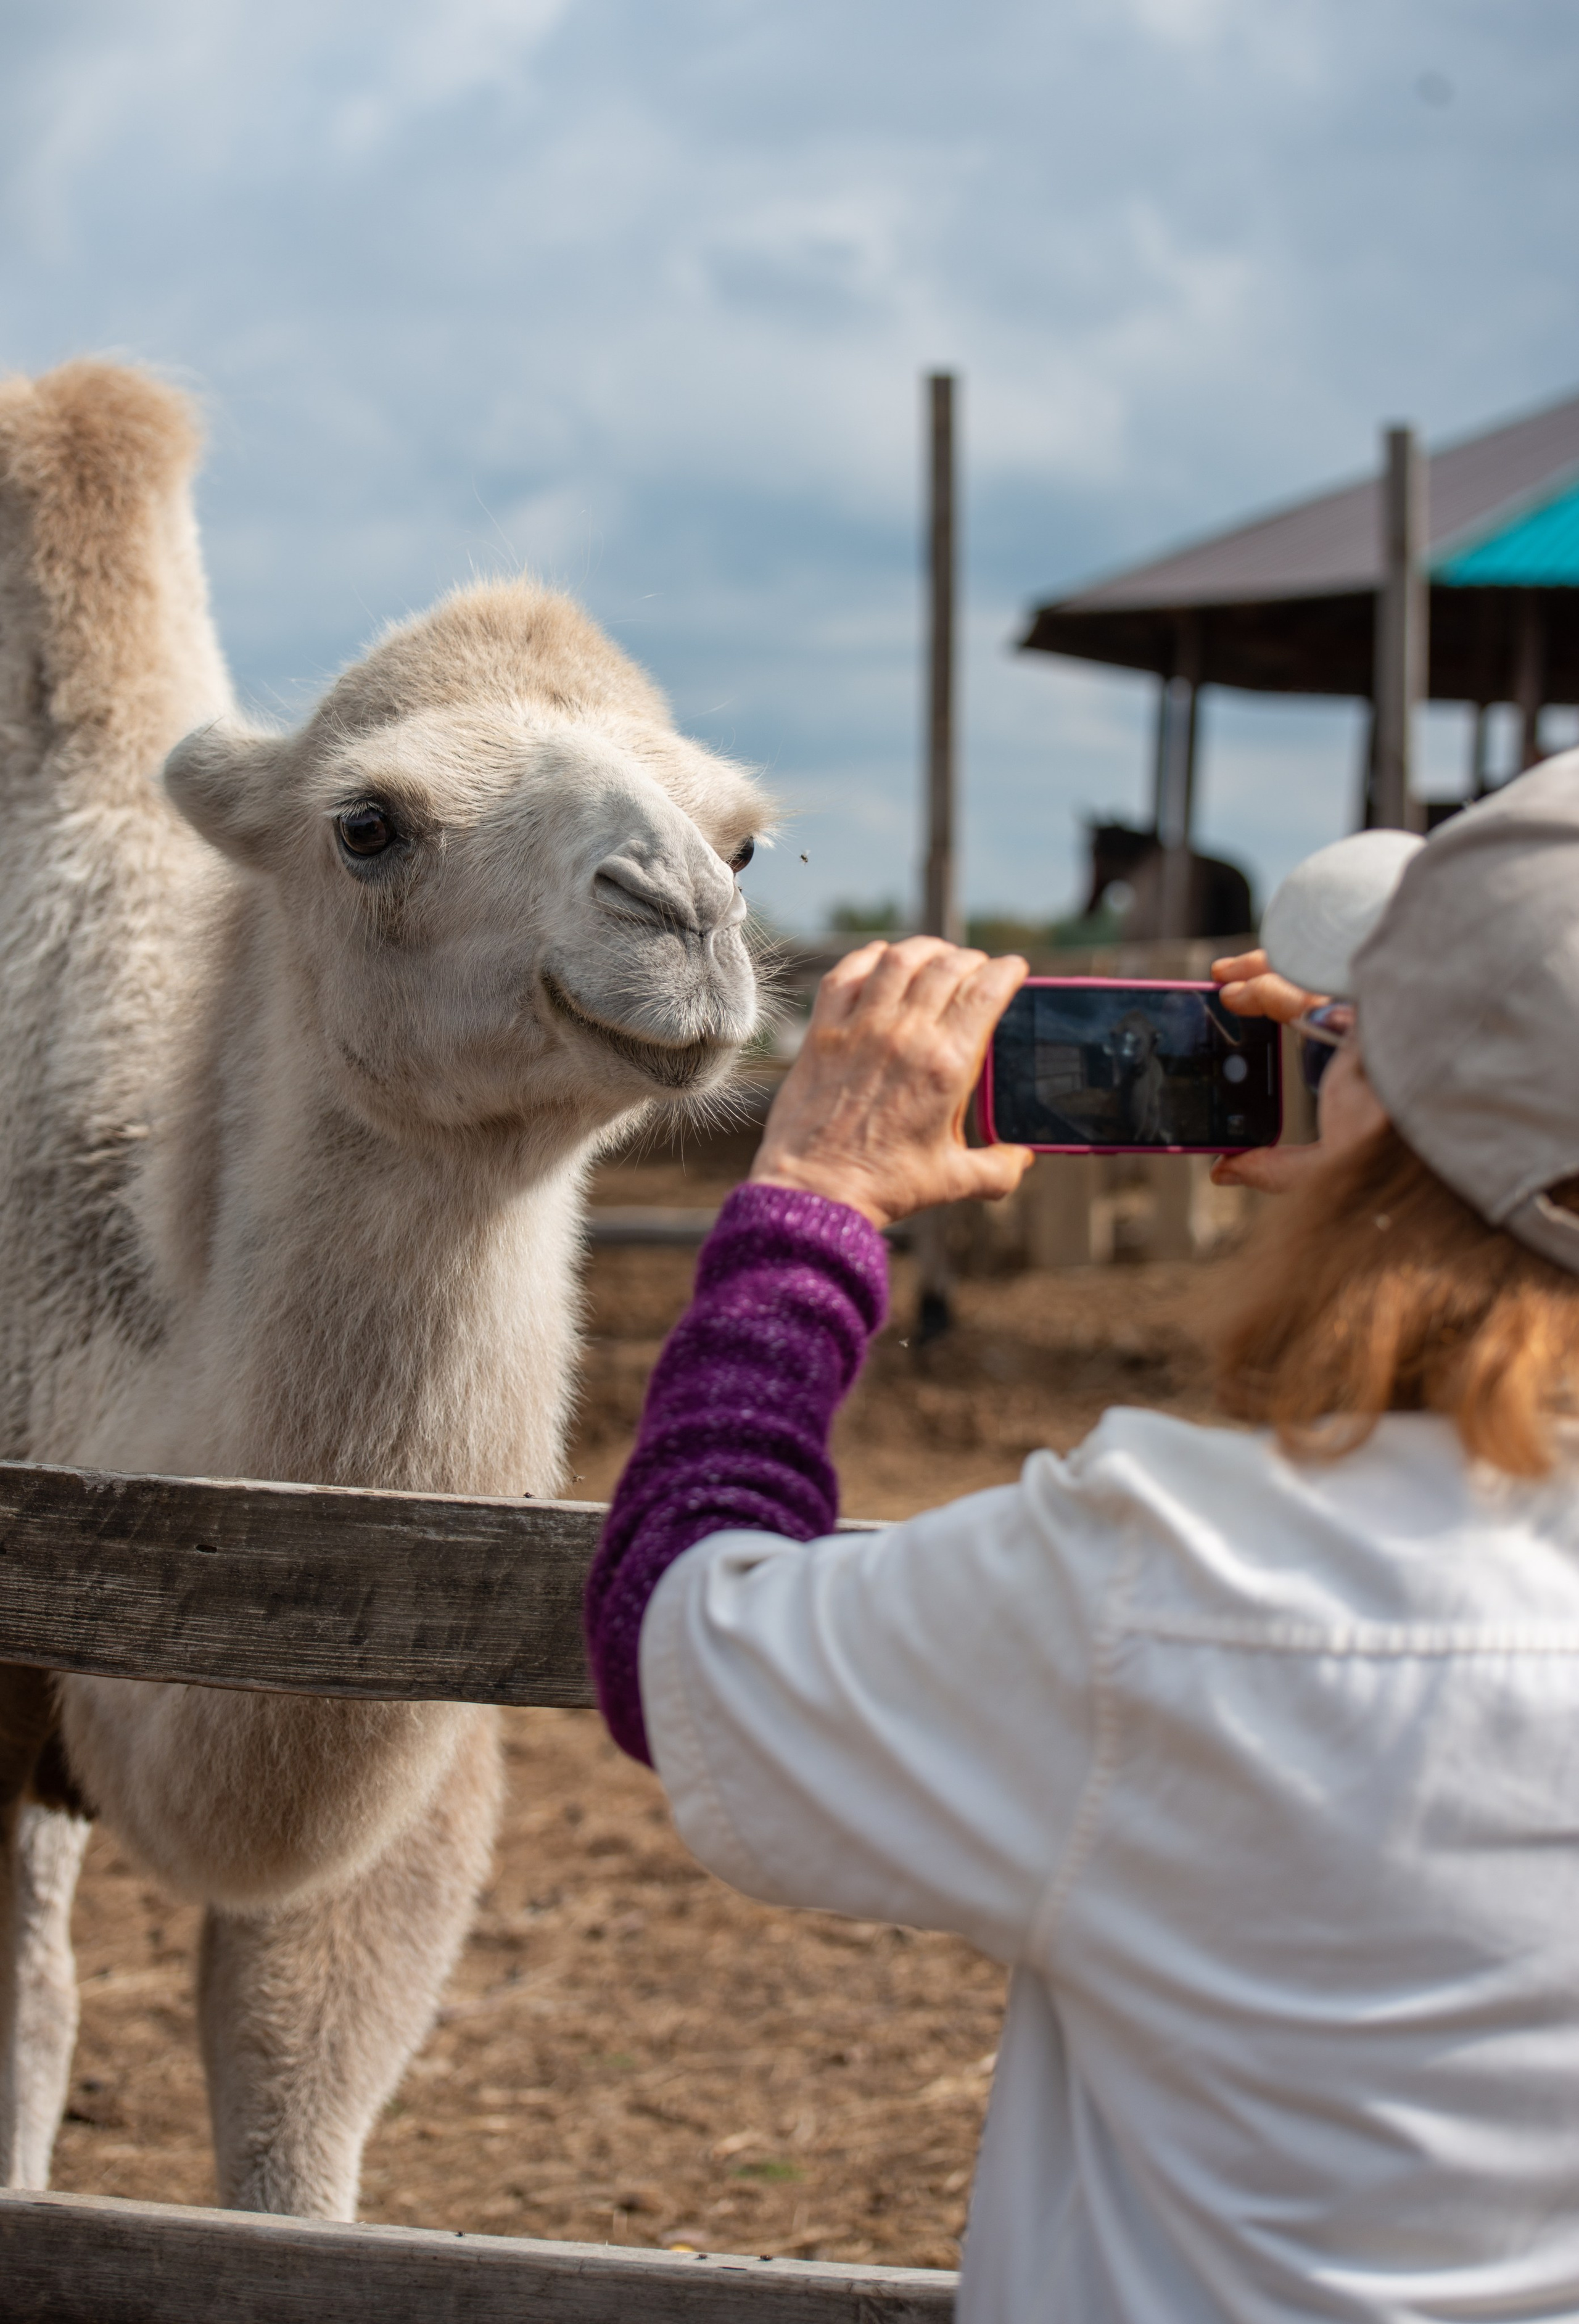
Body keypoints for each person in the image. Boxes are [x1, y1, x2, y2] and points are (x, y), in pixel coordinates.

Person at [584, 754, 1579, 2324]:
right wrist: (1409, 1181)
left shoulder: (1175, 1582)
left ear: (1388, 1115)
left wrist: (812, 1203)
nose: (1319, 1052)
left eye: (1361, 1040)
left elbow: (680, 1637)